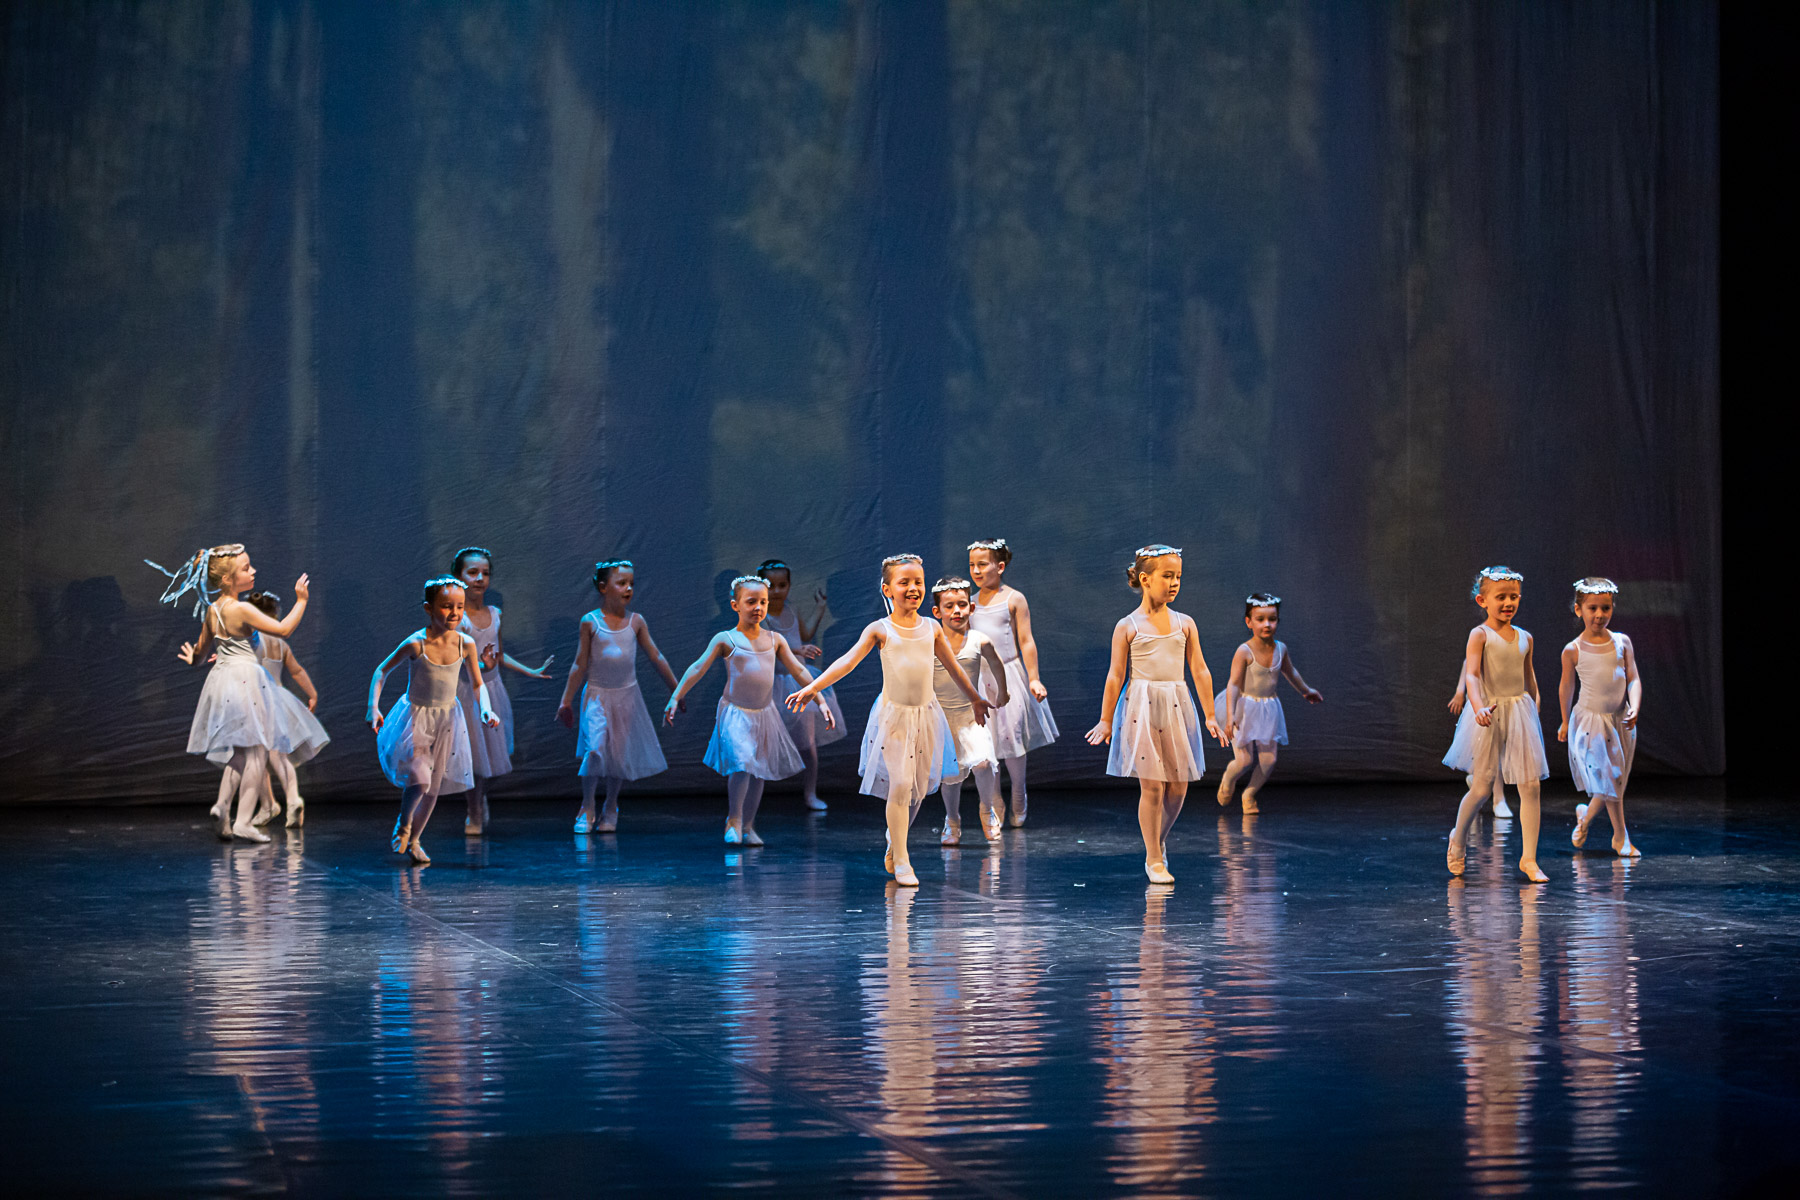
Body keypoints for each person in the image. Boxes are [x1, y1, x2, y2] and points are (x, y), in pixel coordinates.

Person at [787, 555, 990, 887]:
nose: (913, 588)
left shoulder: (932, 627)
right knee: (900, 784)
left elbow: (953, 667)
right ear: (887, 589)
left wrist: (975, 698)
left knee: (918, 790)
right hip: (894, 717)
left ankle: (895, 840)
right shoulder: (880, 629)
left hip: (926, 715)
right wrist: (813, 687)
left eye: (918, 582)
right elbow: (847, 662)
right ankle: (903, 859)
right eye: (904, 582)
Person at [1085, 544, 1226, 884]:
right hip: (1141, 707)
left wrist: (1210, 714)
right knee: (1152, 787)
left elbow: (1200, 670)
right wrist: (1106, 719)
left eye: (1178, 576)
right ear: (1145, 579)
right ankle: (1153, 858)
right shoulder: (1128, 626)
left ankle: (1157, 839)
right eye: (1167, 576)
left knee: (1178, 787)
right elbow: (1115, 675)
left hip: (1176, 705)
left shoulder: (1185, 623)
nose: (1174, 583)